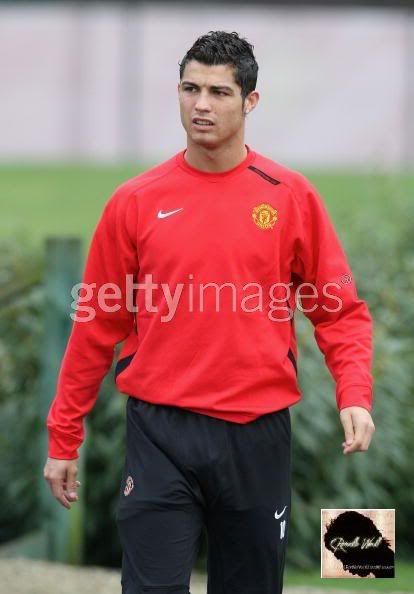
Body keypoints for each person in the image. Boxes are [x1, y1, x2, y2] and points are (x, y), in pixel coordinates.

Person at [43, 30, 375, 594]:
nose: (201, 104)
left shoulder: (291, 196)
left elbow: (340, 312)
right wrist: (62, 438)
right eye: (190, 88)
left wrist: (356, 395)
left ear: (250, 102)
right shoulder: (135, 201)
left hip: (258, 434)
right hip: (159, 432)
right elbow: (97, 323)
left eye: (219, 92)